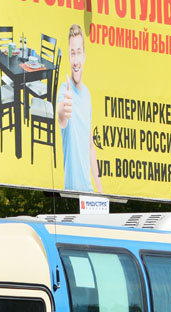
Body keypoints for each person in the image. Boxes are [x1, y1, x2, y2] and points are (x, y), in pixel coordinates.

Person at [56, 24, 103, 194]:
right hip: (72, 193)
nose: (76, 60)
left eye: (78, 52)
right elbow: (61, 117)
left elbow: (90, 146)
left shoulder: (88, 95)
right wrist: (63, 110)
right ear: (69, 56)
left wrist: (101, 192)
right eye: (72, 53)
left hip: (90, 193)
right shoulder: (64, 90)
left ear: (84, 56)